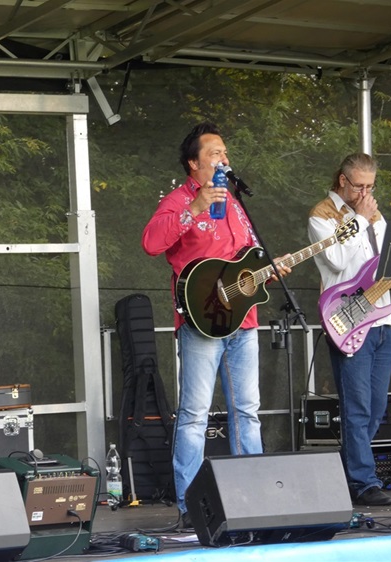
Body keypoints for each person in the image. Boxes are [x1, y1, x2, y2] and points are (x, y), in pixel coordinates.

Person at [142, 122, 290, 527]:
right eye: (214, 153)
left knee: (248, 411)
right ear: (194, 163)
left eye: (225, 152)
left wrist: (268, 270)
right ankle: (191, 505)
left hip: (244, 320)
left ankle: (254, 501)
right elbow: (151, 243)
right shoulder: (178, 200)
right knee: (195, 415)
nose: (224, 158)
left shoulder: (236, 203)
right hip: (202, 322)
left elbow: (247, 260)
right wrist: (194, 208)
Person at [307, 153, 391, 506]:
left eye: (370, 186)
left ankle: (346, 474)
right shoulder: (321, 215)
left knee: (375, 407)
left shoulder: (375, 214)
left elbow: (386, 259)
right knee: (356, 408)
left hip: (381, 318)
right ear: (342, 181)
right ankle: (362, 481)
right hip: (347, 320)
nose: (365, 193)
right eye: (359, 186)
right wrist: (359, 218)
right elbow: (338, 261)